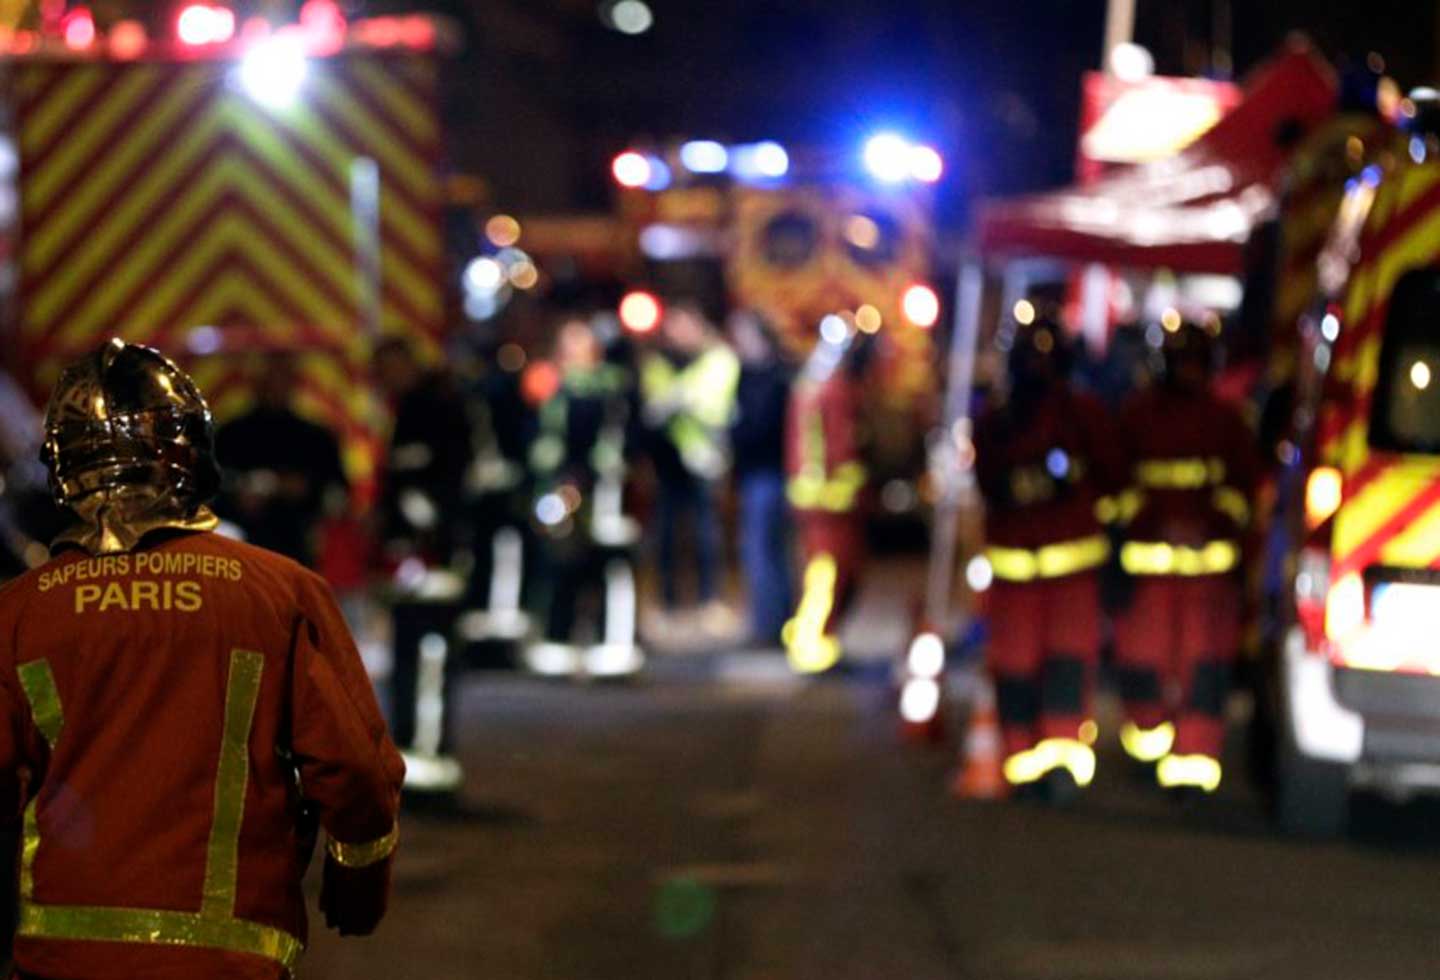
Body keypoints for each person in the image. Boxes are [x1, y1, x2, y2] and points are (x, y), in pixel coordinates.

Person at [0, 339, 403, 979]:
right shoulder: (280, 591)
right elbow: (353, 767)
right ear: (188, 454)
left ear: (62, 467)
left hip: (58, 957)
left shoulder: (18, 612)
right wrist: (360, 876)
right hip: (227, 957)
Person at [973, 316, 1123, 801]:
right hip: (1029, 574)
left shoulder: (1078, 414)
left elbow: (1113, 480)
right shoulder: (997, 422)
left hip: (1059, 574)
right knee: (1026, 668)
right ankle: (1027, 763)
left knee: (1059, 666)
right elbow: (991, 486)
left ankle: (1053, 765)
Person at [1112, 317, 1260, 797]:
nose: (1190, 371)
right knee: (1142, 668)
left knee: (1203, 673)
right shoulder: (1136, 417)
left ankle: (1192, 768)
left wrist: (1211, 525)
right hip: (1149, 578)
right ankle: (1145, 751)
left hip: (1206, 581)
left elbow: (1242, 490)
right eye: (1182, 362)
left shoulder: (1226, 421)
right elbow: (1118, 487)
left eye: (1197, 362)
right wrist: (1155, 523)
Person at [373, 335, 473, 793]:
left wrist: (412, 538)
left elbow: (435, 488)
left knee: (429, 659)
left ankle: (427, 759)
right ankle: (414, 755)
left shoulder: (431, 410)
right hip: (420, 561)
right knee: (414, 662)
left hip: (433, 561)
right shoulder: (415, 408)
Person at [525, 316, 643, 677]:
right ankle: (558, 642)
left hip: (609, 493)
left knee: (611, 568)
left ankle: (613, 645)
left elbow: (630, 435)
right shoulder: (553, 387)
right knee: (562, 567)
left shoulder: (615, 387)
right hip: (566, 490)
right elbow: (543, 438)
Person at [639, 302, 740, 635]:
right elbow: (652, 409)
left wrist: (678, 402)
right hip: (668, 463)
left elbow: (713, 405)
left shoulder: (716, 359)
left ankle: (709, 602)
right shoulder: (658, 363)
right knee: (666, 533)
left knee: (706, 533)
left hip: (704, 459)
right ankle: (668, 603)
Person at [782, 313, 870, 674]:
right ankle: (811, 642)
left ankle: (816, 636)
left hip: (818, 498)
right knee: (826, 573)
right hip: (828, 501)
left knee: (821, 571)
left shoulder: (810, 383)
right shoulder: (832, 388)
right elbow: (838, 446)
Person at [214, 350, 348, 568]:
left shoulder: (316, 437)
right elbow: (209, 488)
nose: (276, 386)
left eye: (283, 378)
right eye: (270, 379)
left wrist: (307, 490)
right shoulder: (230, 435)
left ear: (294, 384)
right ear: (256, 384)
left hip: (299, 547)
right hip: (240, 552)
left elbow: (338, 493)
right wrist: (238, 496)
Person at [729, 309, 794, 647]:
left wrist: (736, 432)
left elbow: (762, 426)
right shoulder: (747, 373)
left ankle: (771, 625)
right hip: (752, 472)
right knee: (765, 551)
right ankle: (772, 620)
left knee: (765, 552)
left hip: (771, 472)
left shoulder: (776, 377)